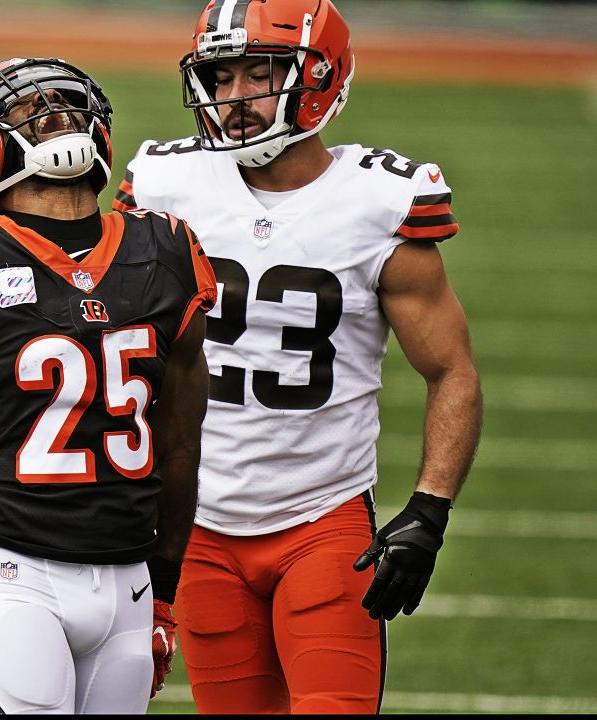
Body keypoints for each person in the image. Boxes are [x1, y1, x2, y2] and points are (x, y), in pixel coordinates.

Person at [113, 0, 483, 713]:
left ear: (320, 79)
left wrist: (429, 512)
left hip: (323, 520)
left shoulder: (378, 201)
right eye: (221, 79)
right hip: (198, 527)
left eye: (260, 74)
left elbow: (451, 371)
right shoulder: (164, 186)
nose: (235, 98)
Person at [0, 58, 218, 714]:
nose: (54, 120)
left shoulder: (164, 249)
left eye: (62, 107)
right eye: (37, 109)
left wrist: (163, 594)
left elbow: (180, 448)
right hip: (10, 569)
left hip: (128, 582)